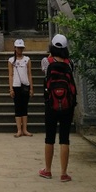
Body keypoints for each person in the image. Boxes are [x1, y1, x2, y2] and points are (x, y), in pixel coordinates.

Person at [39, 33, 77, 182]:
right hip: (68, 104)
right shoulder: (70, 63)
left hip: (51, 103)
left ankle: (47, 170)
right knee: (64, 138)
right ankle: (64, 173)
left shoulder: (46, 61)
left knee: (49, 137)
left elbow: (45, 74)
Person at [8, 39, 34, 137]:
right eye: (18, 48)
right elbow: (10, 75)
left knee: (24, 107)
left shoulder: (27, 59)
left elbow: (29, 74)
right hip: (16, 85)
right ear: (15, 48)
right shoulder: (11, 60)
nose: (20, 49)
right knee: (18, 107)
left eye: (21, 48)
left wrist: (31, 88)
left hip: (25, 85)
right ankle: (19, 129)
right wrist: (11, 88)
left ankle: (25, 129)